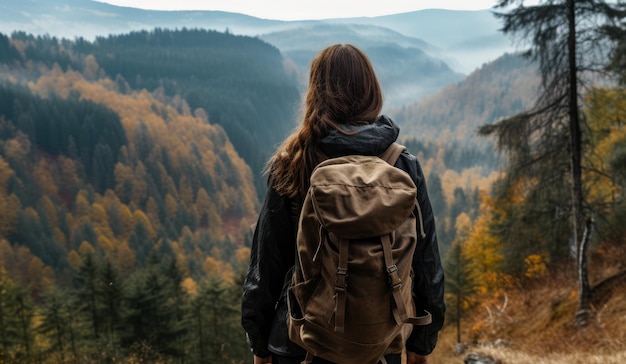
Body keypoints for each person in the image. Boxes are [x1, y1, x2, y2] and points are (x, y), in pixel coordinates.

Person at [241, 43, 445, 364]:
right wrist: (422, 342)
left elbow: (266, 268)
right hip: (379, 342)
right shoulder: (402, 165)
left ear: (315, 93)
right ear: (372, 91)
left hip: (301, 341)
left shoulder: (293, 162)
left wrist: (259, 345)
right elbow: (426, 263)